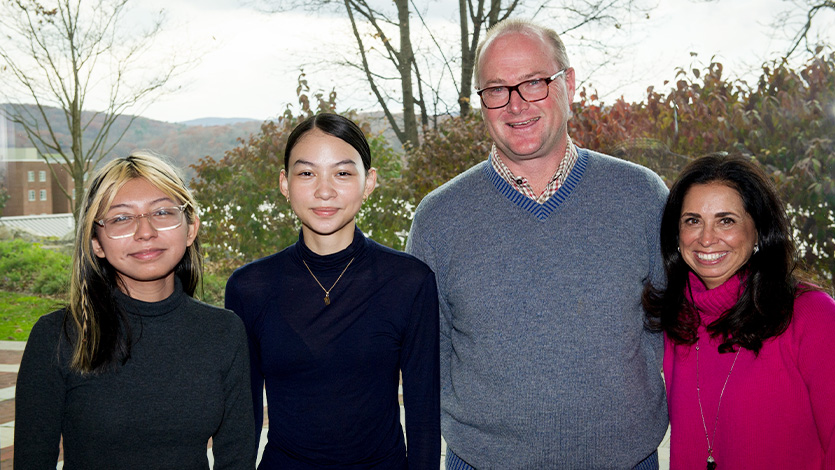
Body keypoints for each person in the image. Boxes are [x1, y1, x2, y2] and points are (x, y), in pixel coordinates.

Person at [406, 18, 668, 470]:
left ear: (568, 84)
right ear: (481, 104)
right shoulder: (439, 218)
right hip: (481, 462)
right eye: (496, 90)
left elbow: (680, 319)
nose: (515, 104)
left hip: (625, 460)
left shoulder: (642, 196)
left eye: (533, 83)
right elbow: (429, 352)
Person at [14, 152, 256, 469]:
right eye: (121, 218)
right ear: (96, 242)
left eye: (163, 212)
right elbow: (33, 460)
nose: (145, 232)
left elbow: (236, 458)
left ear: (191, 228)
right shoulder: (58, 336)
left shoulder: (224, 331)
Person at [225, 113, 440, 469]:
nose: (324, 191)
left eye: (342, 173)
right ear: (285, 183)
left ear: (368, 182)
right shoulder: (250, 287)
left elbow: (424, 417)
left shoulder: (408, 281)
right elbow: (242, 418)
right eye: (307, 173)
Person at [643, 154, 835, 469]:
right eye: (693, 220)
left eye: (726, 220)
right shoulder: (677, 322)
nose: (706, 238)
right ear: (676, 235)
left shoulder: (811, 315)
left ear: (758, 230)